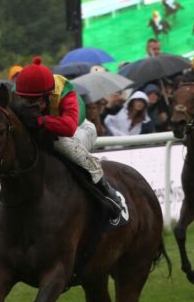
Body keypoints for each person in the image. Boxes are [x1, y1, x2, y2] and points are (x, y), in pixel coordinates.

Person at [15, 57, 123, 218]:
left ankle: (106, 191)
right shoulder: (17, 93)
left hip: (80, 130)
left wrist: (41, 119)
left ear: (48, 94)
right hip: (52, 132)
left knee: (61, 143)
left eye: (35, 100)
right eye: (26, 100)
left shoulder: (64, 91)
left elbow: (68, 127)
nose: (31, 104)